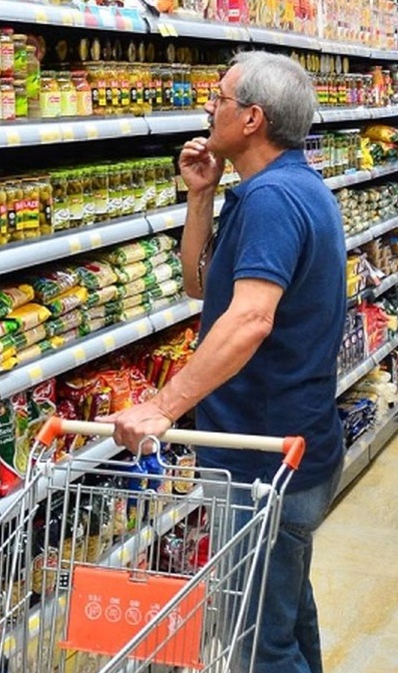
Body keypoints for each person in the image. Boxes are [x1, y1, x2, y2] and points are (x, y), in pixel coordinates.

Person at [98, 51, 345, 673]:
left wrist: (161, 407)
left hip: (266, 458)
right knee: (285, 616)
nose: (209, 105)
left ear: (253, 118)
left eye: (221, 97)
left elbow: (250, 318)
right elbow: (201, 286)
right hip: (287, 448)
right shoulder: (277, 189)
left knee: (257, 645)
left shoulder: (273, 200)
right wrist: (201, 197)